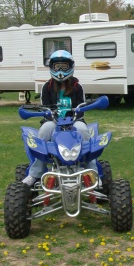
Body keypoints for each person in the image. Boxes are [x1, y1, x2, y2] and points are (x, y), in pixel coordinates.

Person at [22, 50, 97, 186]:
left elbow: (81, 108)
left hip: (74, 121)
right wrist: (50, 116)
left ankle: (93, 171)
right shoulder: (47, 86)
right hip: (53, 122)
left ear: (70, 67)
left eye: (64, 66)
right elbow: (45, 108)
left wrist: (75, 117)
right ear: (52, 67)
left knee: (84, 131)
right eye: (57, 66)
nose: (61, 70)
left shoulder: (77, 86)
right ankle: (34, 173)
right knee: (44, 131)